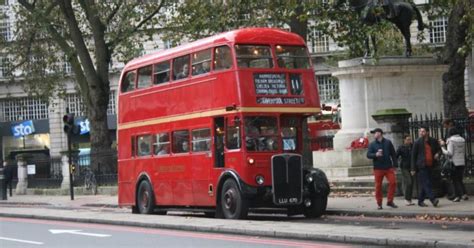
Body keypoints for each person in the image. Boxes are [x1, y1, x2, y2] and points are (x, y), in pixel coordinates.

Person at [366, 128, 398, 210]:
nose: (374, 135)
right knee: (378, 186)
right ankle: (379, 203)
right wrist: (375, 154)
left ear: (379, 133)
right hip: (378, 168)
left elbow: (393, 154)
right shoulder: (372, 144)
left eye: (375, 133)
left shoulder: (388, 142)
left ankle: (390, 201)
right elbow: (368, 154)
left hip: (388, 167)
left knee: (393, 182)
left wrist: (395, 165)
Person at [411, 126, 440, 207]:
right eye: (420, 131)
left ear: (427, 132)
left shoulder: (433, 140)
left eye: (423, 131)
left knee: (426, 183)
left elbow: (438, 149)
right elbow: (413, 156)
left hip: (431, 165)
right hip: (421, 165)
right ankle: (433, 199)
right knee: (426, 183)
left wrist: (438, 154)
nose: (421, 133)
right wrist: (413, 168)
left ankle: (420, 201)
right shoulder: (417, 142)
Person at [439, 128, 468, 202]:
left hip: (454, 163)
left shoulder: (451, 140)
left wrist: (442, 147)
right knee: (460, 179)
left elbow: (450, 153)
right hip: (462, 162)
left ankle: (457, 196)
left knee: (454, 180)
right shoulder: (462, 139)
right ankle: (464, 194)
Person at [396, 134, 415, 206]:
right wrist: (396, 164)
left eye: (410, 139)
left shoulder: (412, 146)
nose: (409, 141)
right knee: (409, 182)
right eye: (407, 139)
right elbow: (396, 156)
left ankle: (409, 199)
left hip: (412, 167)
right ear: (404, 140)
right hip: (404, 167)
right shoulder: (401, 147)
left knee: (411, 183)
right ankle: (406, 199)